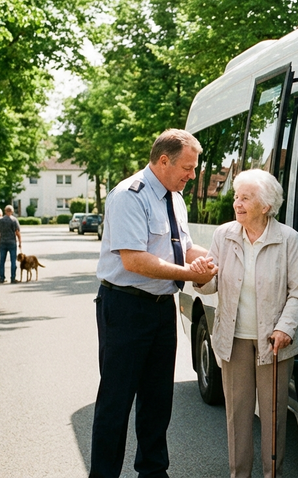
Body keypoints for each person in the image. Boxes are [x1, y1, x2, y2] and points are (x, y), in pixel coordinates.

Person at [91, 128, 218, 478]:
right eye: (187, 169)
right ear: (164, 161)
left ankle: (152, 472)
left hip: (162, 307)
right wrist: (192, 274)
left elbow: (183, 248)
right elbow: (134, 260)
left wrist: (219, 258)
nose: (192, 177)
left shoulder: (175, 197)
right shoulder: (129, 196)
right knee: (116, 402)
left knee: (158, 400)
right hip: (125, 308)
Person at [190, 168, 298, 478]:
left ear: (266, 205)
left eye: (245, 198)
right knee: (237, 416)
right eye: (235, 197)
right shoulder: (224, 235)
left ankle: (273, 474)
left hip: (274, 341)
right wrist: (201, 275)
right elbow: (210, 283)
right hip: (234, 340)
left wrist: (285, 327)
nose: (237, 204)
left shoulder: (288, 240)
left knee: (273, 418)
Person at [0, 205, 21, 283]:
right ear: (12, 211)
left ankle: (2, 278)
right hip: (12, 242)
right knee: (13, 261)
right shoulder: (14, 220)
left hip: (3, 242)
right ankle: (13, 278)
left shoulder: (0, 220)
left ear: (5, 211)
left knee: (2, 261)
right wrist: (20, 242)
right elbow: (17, 233)